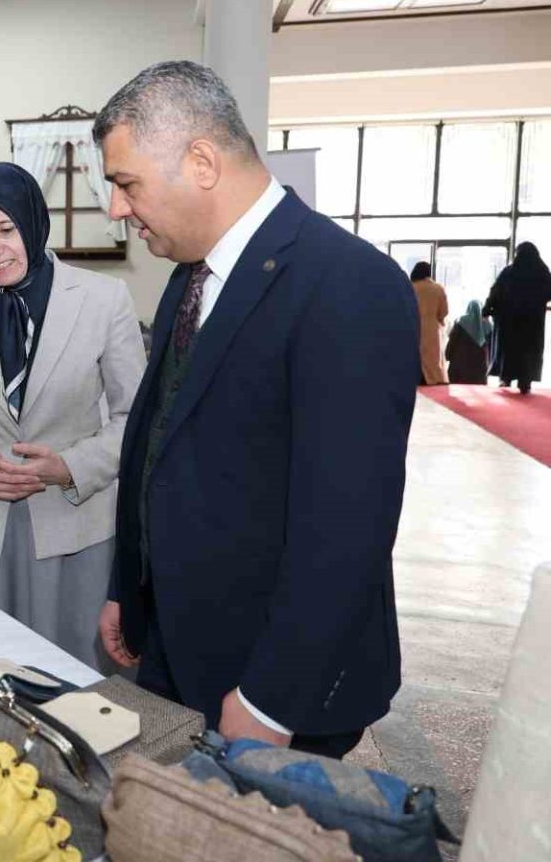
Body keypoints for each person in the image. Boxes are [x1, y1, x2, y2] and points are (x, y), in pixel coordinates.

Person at [93, 62, 418, 759]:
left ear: (201, 162)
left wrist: (274, 695)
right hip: (180, 645)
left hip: (270, 678)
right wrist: (130, 585)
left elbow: (349, 523)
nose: (116, 208)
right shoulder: (191, 275)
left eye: (126, 183)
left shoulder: (348, 284)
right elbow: (160, 443)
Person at [0, 162, 145, 670]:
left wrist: (70, 467)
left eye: (5, 230)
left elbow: (136, 417)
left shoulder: (104, 300)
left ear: (34, 222)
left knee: (73, 681)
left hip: (73, 530)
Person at [485, 241, 551, 394]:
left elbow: (496, 291)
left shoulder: (509, 272)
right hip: (533, 322)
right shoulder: (542, 273)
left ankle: (506, 377)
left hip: (509, 320)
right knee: (529, 351)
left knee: (509, 349)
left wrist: (487, 309)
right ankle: (525, 381)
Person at [411, 261, 448, 385]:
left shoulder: (411, 287)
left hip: (413, 326)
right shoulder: (438, 288)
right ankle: (432, 379)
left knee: (415, 355)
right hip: (432, 329)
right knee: (432, 358)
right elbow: (444, 311)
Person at [445, 299, 492, 385]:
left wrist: (447, 355)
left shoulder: (461, 321)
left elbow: (453, 341)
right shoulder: (487, 325)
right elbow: (491, 346)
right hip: (479, 368)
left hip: (459, 365)